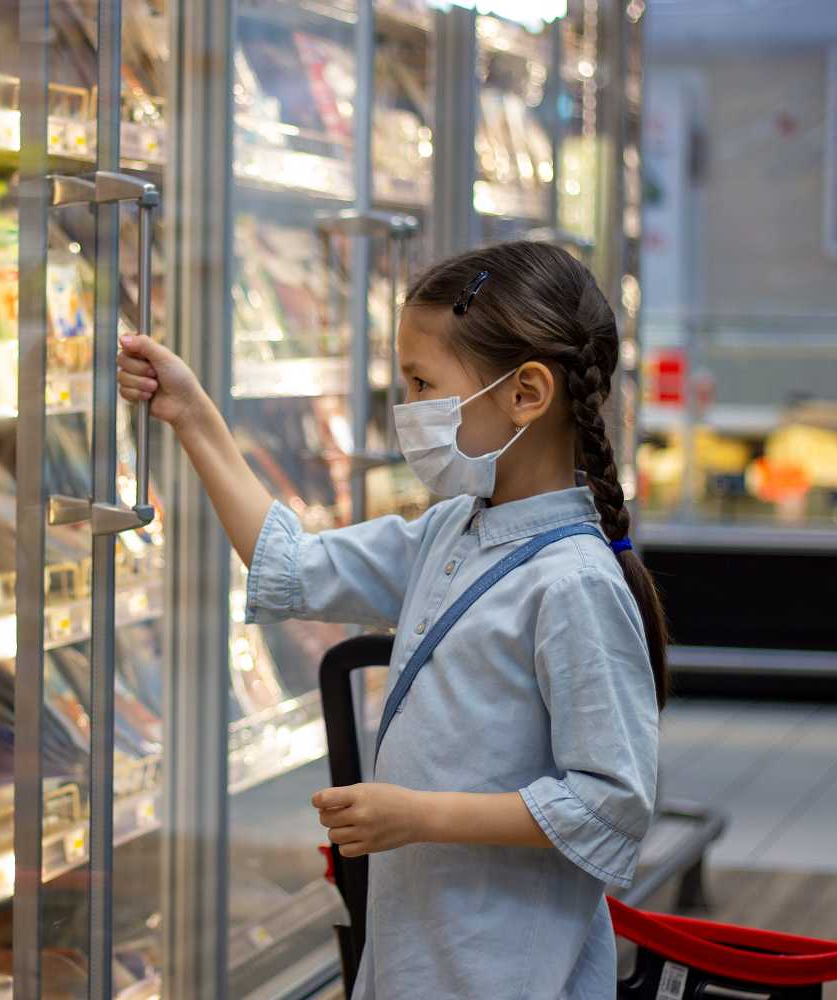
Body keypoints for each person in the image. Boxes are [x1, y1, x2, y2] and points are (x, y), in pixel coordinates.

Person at [117, 239, 664, 999]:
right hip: (424, 951)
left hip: (507, 969)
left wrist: (416, 814)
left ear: (527, 393)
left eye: (421, 383)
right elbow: (296, 566)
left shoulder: (572, 583)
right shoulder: (454, 531)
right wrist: (191, 415)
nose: (407, 410)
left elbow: (612, 802)